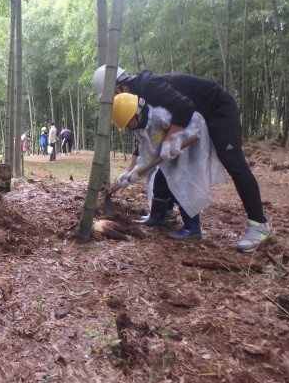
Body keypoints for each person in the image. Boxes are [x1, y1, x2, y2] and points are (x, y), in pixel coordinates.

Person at [94, 65, 271, 252]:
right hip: (194, 117)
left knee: (233, 163)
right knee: (167, 166)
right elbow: (146, 137)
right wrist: (131, 171)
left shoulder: (148, 87)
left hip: (216, 110)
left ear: (118, 87)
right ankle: (164, 213)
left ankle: (259, 224)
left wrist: (171, 139)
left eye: (111, 96)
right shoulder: (134, 98)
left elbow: (185, 107)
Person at [111, 92, 228, 240]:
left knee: (182, 185)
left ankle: (192, 227)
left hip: (189, 149)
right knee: (160, 181)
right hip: (171, 155)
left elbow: (191, 123)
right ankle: (158, 216)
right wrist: (133, 173)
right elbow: (147, 154)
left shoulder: (160, 116)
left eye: (128, 122)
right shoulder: (140, 129)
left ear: (136, 114)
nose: (128, 127)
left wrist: (175, 141)